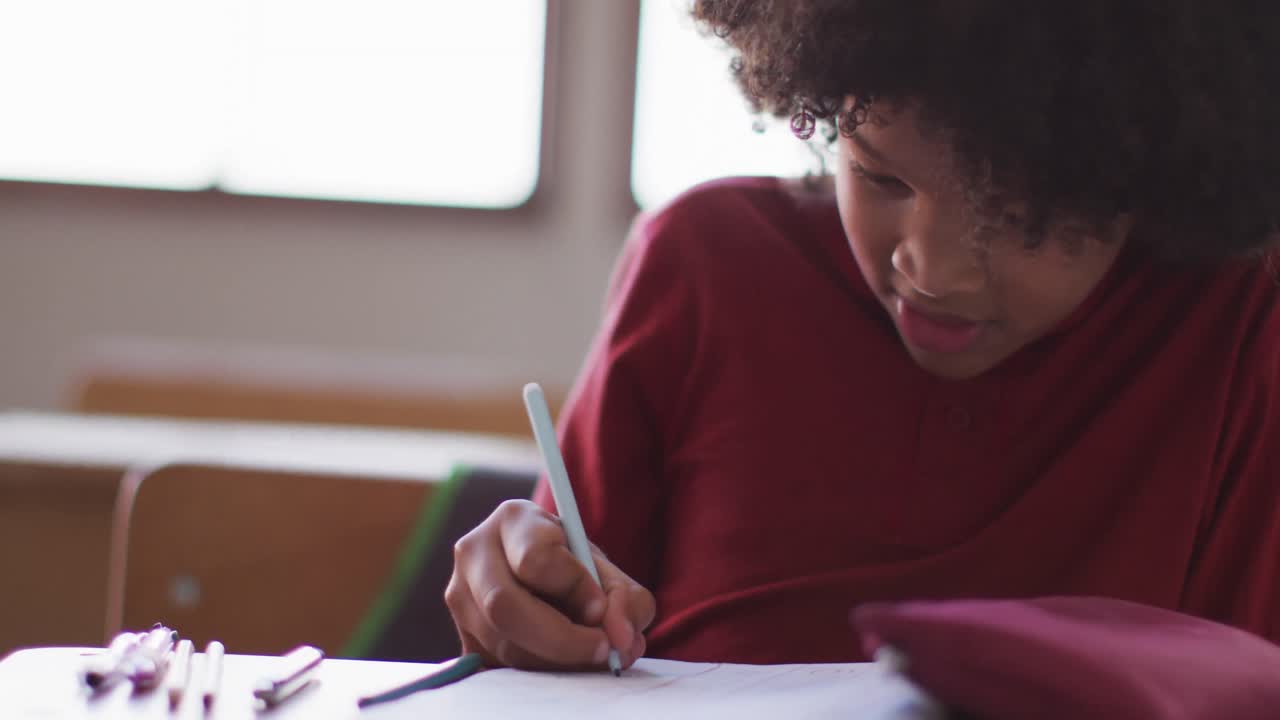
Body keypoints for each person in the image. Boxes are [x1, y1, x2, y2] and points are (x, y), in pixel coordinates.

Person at [446, 0, 1280, 673]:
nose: (931, 269)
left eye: (1026, 219)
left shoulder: (1238, 326)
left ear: (1159, 176)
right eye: (879, 175)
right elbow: (557, 626)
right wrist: (520, 602)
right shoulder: (705, 269)